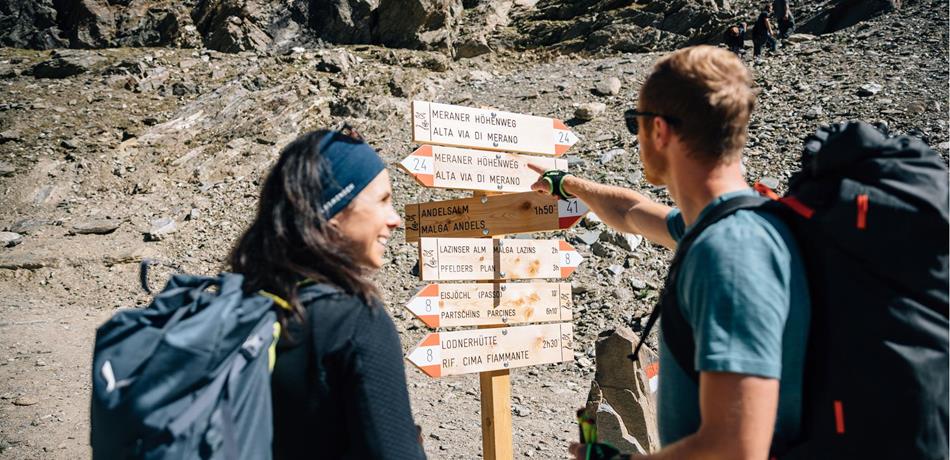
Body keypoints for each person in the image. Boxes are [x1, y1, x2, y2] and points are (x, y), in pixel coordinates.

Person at [533, 46, 810, 459]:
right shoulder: (721, 225)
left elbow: (736, 446)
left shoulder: (728, 253)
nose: (637, 135)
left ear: (659, 130)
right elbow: (630, 212)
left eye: (635, 124)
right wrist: (567, 183)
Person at [228, 126, 426, 459]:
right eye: (382, 201)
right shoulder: (354, 321)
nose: (395, 220)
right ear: (333, 213)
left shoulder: (242, 303)